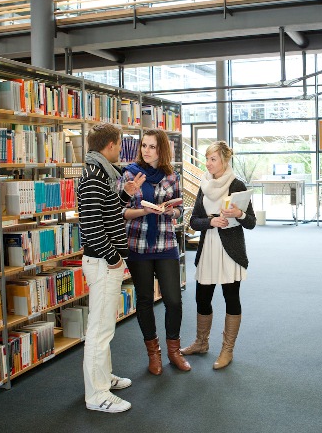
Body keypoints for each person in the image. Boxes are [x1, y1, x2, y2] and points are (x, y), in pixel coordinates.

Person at [77, 122, 146, 413]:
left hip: (106, 262)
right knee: (99, 331)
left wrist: (125, 194)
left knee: (104, 328)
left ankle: (103, 378)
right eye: (120, 144)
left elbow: (106, 212)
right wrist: (114, 258)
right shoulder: (95, 176)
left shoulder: (101, 173)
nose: (121, 149)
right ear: (111, 145)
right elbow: (92, 228)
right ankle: (96, 394)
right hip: (104, 262)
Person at [182, 141, 256, 369]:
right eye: (207, 158)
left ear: (224, 160)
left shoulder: (237, 184)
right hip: (208, 248)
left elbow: (251, 222)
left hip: (230, 251)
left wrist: (239, 213)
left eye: (213, 159)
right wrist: (210, 221)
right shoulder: (204, 184)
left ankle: (227, 350)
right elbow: (193, 221)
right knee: (202, 298)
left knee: (231, 298)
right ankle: (201, 342)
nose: (208, 163)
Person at [122, 129, 190, 375]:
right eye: (144, 146)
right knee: (144, 300)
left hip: (166, 243)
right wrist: (144, 211)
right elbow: (123, 211)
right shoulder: (130, 174)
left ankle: (174, 350)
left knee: (173, 299)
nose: (147, 150)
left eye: (152, 146)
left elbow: (180, 207)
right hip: (138, 245)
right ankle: (154, 353)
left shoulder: (171, 176)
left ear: (161, 150)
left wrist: (171, 211)